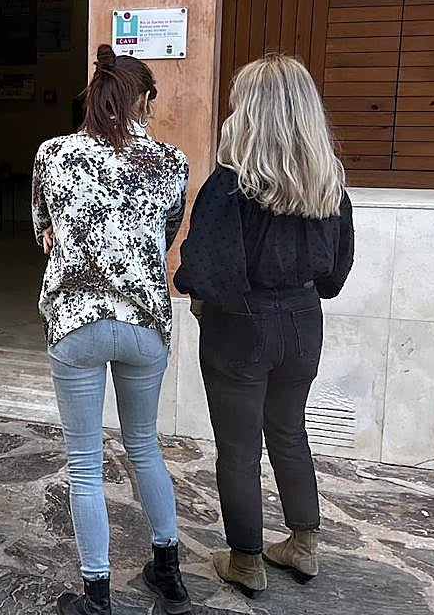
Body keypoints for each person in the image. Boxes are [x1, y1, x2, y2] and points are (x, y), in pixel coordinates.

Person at [174, 54, 355, 597]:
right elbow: (337, 268)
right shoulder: (328, 183)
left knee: (239, 448)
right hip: (303, 319)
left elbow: (199, 270)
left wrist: (207, 299)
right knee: (289, 431)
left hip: (241, 325)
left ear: (250, 112)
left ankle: (246, 559)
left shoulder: (230, 183)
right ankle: (303, 544)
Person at [32, 45, 191, 615]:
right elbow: (166, 234)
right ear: (143, 99)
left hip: (77, 319)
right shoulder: (172, 162)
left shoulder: (52, 156)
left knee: (83, 460)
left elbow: (43, 233)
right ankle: (168, 570)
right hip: (145, 321)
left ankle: (97, 594)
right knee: (144, 446)